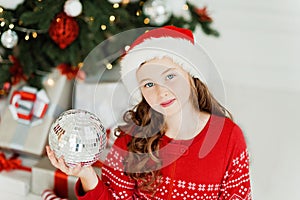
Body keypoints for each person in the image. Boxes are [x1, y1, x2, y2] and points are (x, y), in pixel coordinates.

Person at [46, 25, 252, 199]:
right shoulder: (130, 140)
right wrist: (86, 173)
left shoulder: (228, 138)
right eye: (149, 83)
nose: (161, 92)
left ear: (192, 76)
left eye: (170, 76)